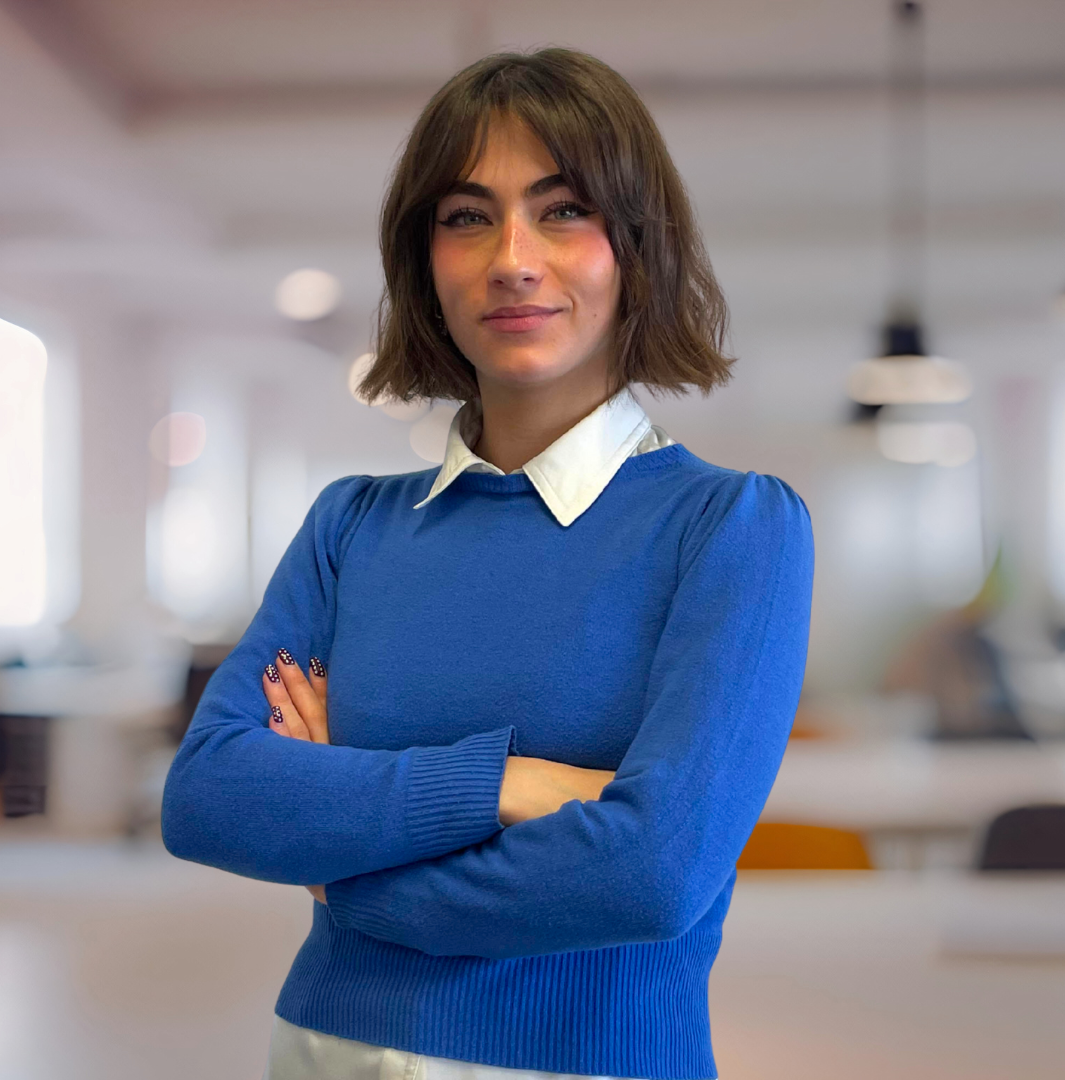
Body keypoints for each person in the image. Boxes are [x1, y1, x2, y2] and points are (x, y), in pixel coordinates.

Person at [161, 47, 814, 1080]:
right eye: (467, 216)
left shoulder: (731, 527)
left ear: (636, 246)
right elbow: (210, 797)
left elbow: (653, 871)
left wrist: (341, 864)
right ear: (424, 260)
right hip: (323, 1053)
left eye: (564, 211)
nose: (512, 258)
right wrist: (509, 783)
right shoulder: (351, 527)